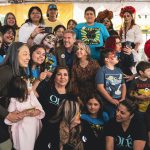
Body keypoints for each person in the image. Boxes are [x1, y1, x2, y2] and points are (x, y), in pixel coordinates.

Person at [0, 42, 30, 150]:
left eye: (29, 54)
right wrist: (7, 114)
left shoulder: (20, 71)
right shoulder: (6, 71)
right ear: (15, 54)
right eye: (25, 54)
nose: (28, 58)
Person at [4, 77, 45, 150]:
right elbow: (11, 119)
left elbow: (40, 109)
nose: (30, 87)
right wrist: (25, 113)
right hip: (22, 131)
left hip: (33, 127)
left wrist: (36, 111)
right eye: (28, 86)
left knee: (35, 144)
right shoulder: (14, 100)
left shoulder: (31, 96)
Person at [95, 49, 126, 118]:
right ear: (107, 59)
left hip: (120, 100)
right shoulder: (102, 71)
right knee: (112, 117)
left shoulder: (119, 70)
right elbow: (100, 87)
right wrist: (111, 100)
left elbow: (123, 85)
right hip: (107, 102)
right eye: (113, 56)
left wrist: (123, 97)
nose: (116, 57)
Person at [119, 6, 143, 72]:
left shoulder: (136, 27)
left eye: (128, 16)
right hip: (123, 50)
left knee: (131, 69)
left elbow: (138, 41)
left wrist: (133, 52)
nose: (126, 17)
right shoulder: (122, 28)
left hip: (132, 49)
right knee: (123, 68)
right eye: (124, 16)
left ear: (132, 17)